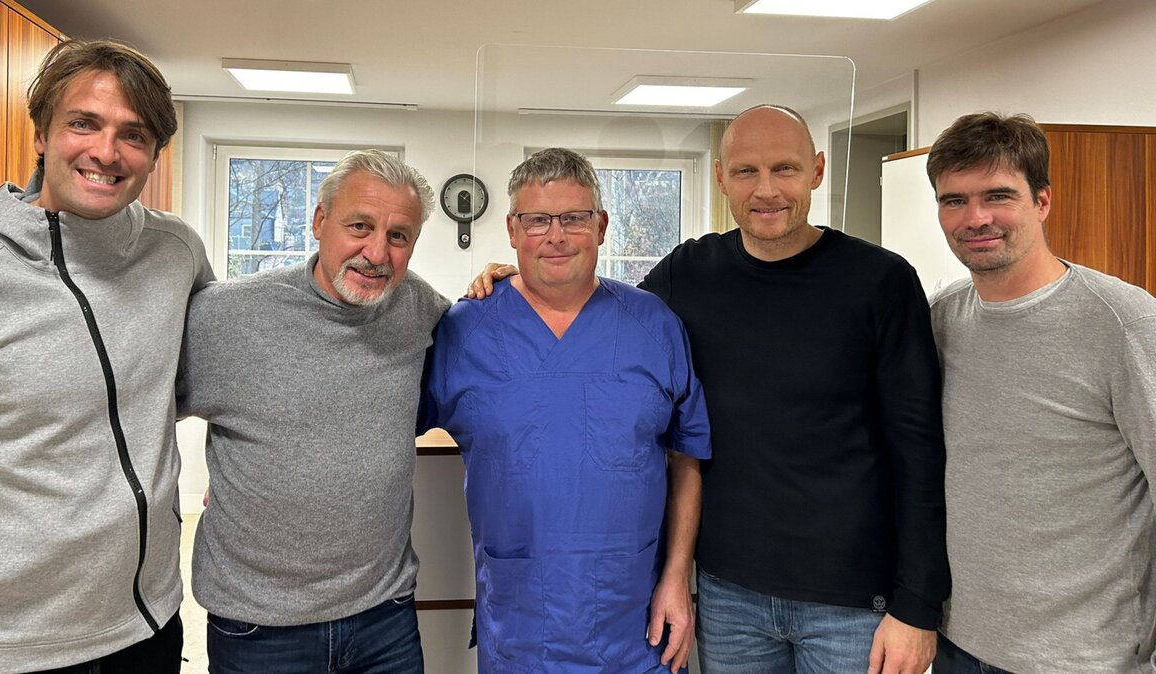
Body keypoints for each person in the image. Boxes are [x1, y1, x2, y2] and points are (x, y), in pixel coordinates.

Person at [469, 106, 949, 673]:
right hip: (729, 593)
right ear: (721, 178)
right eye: (746, 171)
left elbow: (919, 449)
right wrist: (523, 281)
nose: (766, 190)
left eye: (785, 168)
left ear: (817, 170)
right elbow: (598, 310)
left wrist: (918, 604)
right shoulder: (689, 272)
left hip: (851, 600)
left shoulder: (880, 281)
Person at [0, 40, 212, 674]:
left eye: (133, 134)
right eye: (84, 123)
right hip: (3, 651)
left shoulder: (177, 253)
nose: (106, 152)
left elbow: (206, 380)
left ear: (153, 154)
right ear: (40, 134)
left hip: (152, 627)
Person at [426, 148, 711, 673]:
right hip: (519, 623)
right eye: (537, 220)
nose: (555, 236)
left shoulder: (654, 326)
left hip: (637, 625)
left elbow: (687, 454)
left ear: (601, 226)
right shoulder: (465, 331)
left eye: (574, 218)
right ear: (512, 230)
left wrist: (677, 576)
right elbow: (381, 422)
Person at [177, 149, 450, 674]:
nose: (376, 252)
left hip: (385, 615)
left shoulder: (420, 309)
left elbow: (483, 345)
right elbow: (135, 415)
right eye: (359, 226)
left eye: (398, 236)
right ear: (320, 221)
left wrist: (509, 288)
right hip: (260, 624)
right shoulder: (225, 315)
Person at [926, 112, 1156, 674]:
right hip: (958, 643)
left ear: (1043, 201)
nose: (976, 218)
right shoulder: (941, 319)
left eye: (998, 196)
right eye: (954, 200)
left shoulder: (1123, 323)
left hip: (1084, 658)